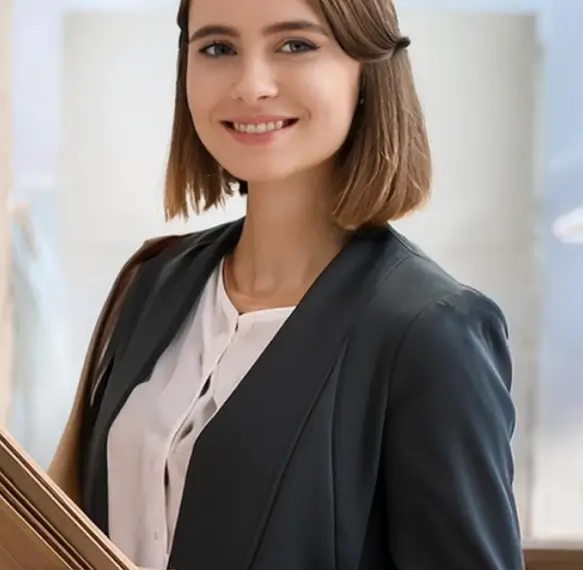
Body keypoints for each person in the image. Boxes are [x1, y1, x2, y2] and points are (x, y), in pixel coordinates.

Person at [45, 0, 526, 568]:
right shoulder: (153, 283)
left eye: (295, 45)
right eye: (217, 48)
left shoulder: (430, 333)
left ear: (368, 68)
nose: (252, 85)